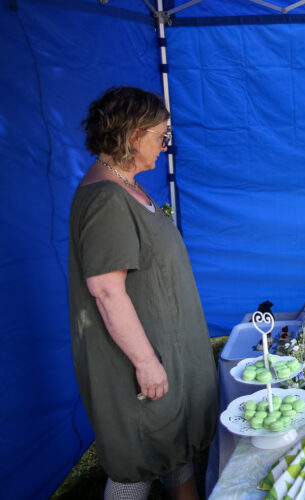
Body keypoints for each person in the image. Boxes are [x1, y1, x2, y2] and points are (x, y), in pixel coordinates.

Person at [68, 87, 219, 500]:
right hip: (137, 361)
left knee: (173, 446)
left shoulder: (127, 185)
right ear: (133, 136)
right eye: (161, 135)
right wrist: (146, 361)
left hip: (163, 347)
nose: (165, 145)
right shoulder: (106, 199)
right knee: (137, 462)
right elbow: (105, 290)